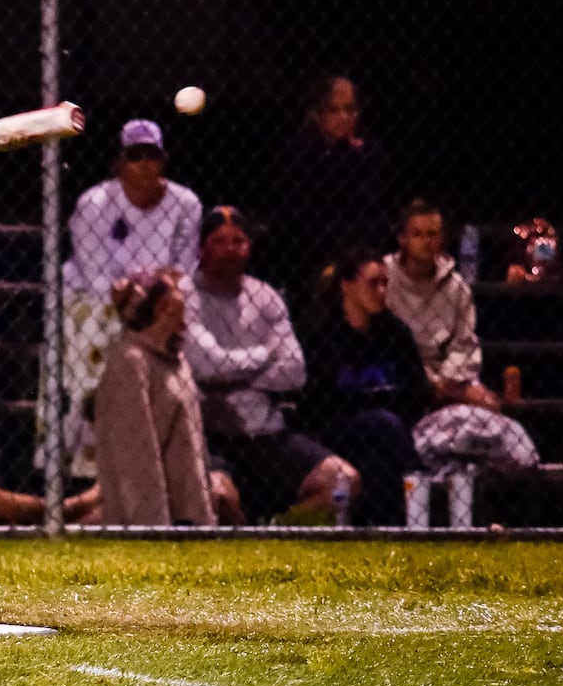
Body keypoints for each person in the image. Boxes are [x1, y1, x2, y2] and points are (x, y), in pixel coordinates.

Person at [47, 118, 202, 480]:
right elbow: (95, 275)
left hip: (159, 304)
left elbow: (185, 269)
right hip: (94, 302)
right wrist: (143, 288)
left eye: (153, 155)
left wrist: (148, 292)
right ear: (119, 162)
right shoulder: (94, 203)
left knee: (181, 315)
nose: (146, 164)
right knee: (96, 329)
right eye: (135, 156)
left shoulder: (185, 203)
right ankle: (79, 460)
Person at [182, 206, 358, 525]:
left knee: (344, 480)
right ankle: (240, 551)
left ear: (249, 246)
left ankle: (275, 533)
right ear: (201, 248)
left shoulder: (265, 297)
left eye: (238, 240)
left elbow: (295, 371)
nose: (230, 249)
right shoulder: (186, 295)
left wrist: (229, 377)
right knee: (219, 498)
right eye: (219, 241)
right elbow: (207, 366)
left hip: (268, 433)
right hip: (213, 434)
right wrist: (264, 356)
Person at [299, 245, 431, 525]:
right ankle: (421, 506)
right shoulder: (323, 335)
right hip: (336, 432)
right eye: (373, 283)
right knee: (383, 425)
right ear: (346, 286)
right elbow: (318, 405)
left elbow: (417, 393)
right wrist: (376, 408)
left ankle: (383, 533)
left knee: (378, 461)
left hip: (387, 437)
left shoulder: (395, 332)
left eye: (385, 283)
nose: (382, 291)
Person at [91, 269, 218, 526]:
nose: (185, 296)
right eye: (177, 291)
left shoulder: (175, 359)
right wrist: (153, 529)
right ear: (163, 306)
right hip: (150, 520)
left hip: (187, 512)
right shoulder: (131, 362)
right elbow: (136, 456)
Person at [265, 75, 395, 302]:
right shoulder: (297, 154)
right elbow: (302, 211)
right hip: (306, 258)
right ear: (317, 114)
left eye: (350, 109)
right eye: (334, 110)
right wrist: (340, 157)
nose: (344, 117)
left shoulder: (371, 154)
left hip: (358, 254)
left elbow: (372, 207)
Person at [385, 200, 502, 413]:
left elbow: (464, 343)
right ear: (402, 239)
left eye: (432, 234)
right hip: (400, 371)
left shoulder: (456, 286)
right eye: (418, 234)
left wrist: (444, 381)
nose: (426, 241)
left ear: (442, 238)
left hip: (450, 377)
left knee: (490, 406)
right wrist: (428, 380)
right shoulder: (384, 278)